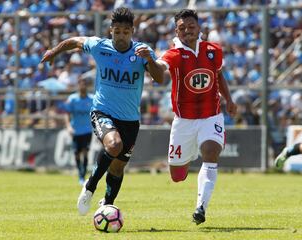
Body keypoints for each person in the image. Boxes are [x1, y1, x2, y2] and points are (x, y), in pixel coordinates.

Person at [41, 7, 164, 216]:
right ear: (111, 31)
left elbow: (160, 78)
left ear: (132, 32)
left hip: (130, 120)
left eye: (126, 32)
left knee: (117, 168)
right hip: (102, 111)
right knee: (114, 145)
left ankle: (106, 204)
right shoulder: (100, 46)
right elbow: (74, 41)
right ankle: (89, 186)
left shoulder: (142, 51)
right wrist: (54, 52)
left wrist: (150, 61)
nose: (121, 36)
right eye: (117, 31)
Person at [155, 9, 237, 225]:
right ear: (176, 31)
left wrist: (229, 100)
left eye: (191, 26)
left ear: (199, 28)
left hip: (212, 115)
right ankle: (189, 154)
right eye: (182, 28)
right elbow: (161, 72)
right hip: (183, 121)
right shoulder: (172, 54)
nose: (187, 31)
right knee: (177, 176)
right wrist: (150, 62)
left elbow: (218, 75)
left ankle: (200, 207)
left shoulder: (213, 50)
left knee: (210, 152)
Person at [64, 78, 94, 185]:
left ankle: (82, 175)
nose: (83, 87)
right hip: (76, 130)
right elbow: (67, 113)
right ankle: (80, 173)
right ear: (78, 86)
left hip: (87, 130)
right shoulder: (72, 99)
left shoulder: (92, 99)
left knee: (85, 152)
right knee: (77, 153)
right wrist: (68, 126)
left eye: (85, 85)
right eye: (81, 85)